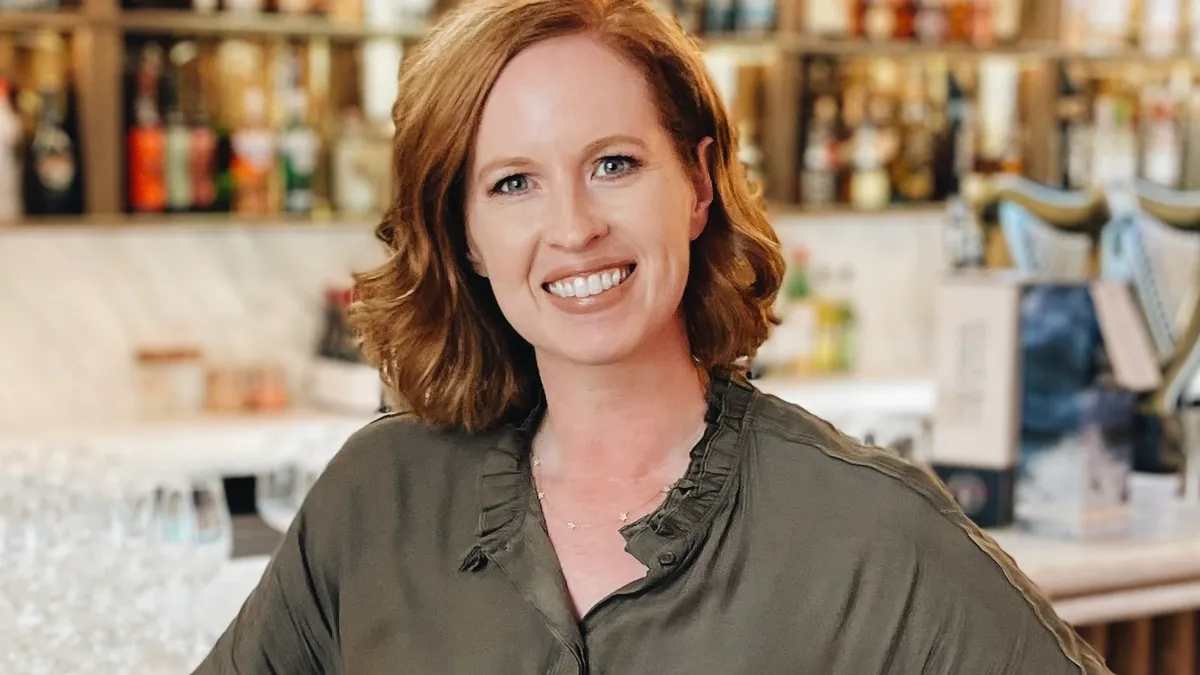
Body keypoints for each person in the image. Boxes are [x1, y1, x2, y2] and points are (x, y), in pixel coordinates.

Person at [192, 0, 1110, 673]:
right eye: (513, 182)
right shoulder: (377, 499)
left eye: (615, 164)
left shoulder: (870, 534)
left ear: (698, 184)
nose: (574, 226)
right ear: (466, 232)